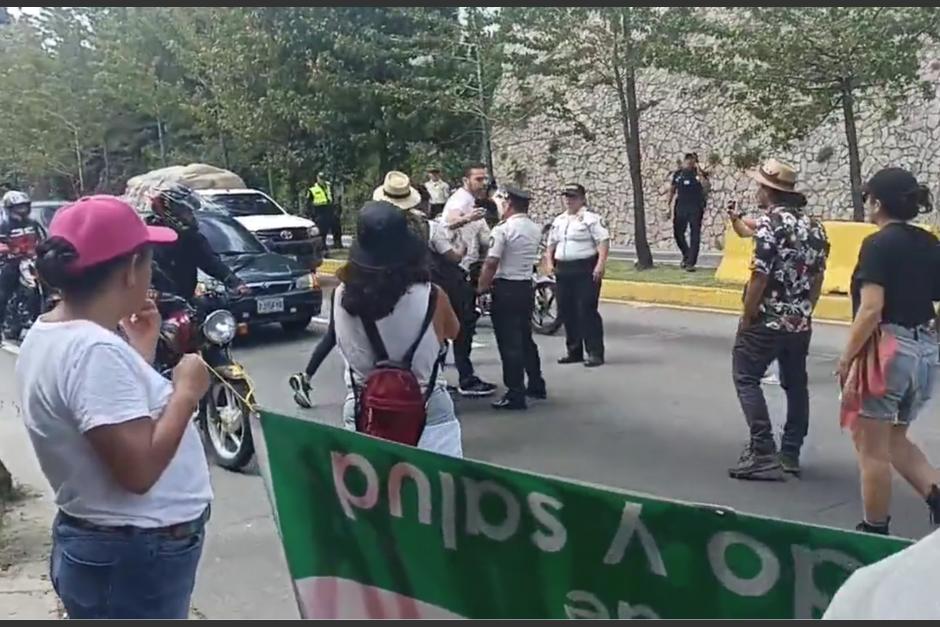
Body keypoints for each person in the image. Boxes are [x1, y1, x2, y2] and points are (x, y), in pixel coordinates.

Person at [15, 195, 212, 619]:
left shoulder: (52, 333)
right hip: (133, 556)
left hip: (113, 548)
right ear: (129, 271)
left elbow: (104, 414)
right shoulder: (92, 351)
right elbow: (137, 472)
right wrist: (186, 392)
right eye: (148, 259)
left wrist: (138, 352)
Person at [837, 167, 940, 535]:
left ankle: (874, 530)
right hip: (926, 352)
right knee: (895, 438)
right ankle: (936, 493)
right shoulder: (929, 242)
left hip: (887, 351)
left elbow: (871, 308)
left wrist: (847, 357)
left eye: (867, 197)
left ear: (878, 203)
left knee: (871, 448)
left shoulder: (878, 245)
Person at [335, 200, 463, 455]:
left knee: (371, 493)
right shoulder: (433, 296)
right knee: (436, 493)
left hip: (364, 410)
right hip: (428, 408)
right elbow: (453, 332)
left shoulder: (340, 296)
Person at [729, 159, 829, 481]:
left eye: (759, 186)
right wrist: (804, 309)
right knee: (795, 384)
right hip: (799, 322)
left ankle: (762, 450)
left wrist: (748, 314)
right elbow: (817, 277)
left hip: (767, 320)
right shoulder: (814, 226)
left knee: (746, 377)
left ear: (768, 191)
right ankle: (790, 452)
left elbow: (760, 274)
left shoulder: (771, 224)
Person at [477, 186, 546, 410]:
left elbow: (491, 262)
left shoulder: (503, 230)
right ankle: (536, 383)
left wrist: (481, 288)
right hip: (525, 286)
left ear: (508, 204)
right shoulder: (534, 228)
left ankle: (515, 392)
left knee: (509, 343)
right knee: (525, 339)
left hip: (506, 287)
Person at [440, 162, 497, 398]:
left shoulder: (474, 206)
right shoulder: (460, 201)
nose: (483, 183)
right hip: (454, 273)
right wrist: (467, 218)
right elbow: (448, 224)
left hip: (466, 273)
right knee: (458, 327)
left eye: (485, 179)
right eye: (478, 179)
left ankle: (445, 378)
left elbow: (486, 239)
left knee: (463, 326)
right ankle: (460, 378)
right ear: (466, 181)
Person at [146, 183, 249, 301]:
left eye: (191, 212)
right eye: (187, 212)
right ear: (172, 211)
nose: (191, 216)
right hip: (153, 306)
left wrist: (235, 283)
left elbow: (210, 262)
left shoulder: (191, 238)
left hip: (185, 304)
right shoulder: (146, 237)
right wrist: (152, 290)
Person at [545, 183, 610, 367]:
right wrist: (549, 262)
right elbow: (551, 243)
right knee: (566, 310)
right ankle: (574, 351)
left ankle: (594, 352)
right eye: (566, 196)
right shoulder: (559, 220)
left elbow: (602, 241)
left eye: (572, 197)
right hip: (563, 268)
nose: (569, 200)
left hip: (585, 267)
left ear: (582, 199)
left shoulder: (591, 219)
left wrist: (600, 264)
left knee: (586, 310)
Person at [0, 190, 43, 337]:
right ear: (9, 208)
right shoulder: (4, 225)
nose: (22, 210)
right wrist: (10, 249)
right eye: (18, 207)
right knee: (3, 293)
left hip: (31, 261)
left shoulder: (33, 223)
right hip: (12, 262)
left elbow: (42, 239)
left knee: (41, 286)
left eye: (24, 207)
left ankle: (37, 316)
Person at [667, 152, 710, 272]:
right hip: (681, 206)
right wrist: (667, 206)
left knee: (694, 235)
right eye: (687, 160)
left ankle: (691, 262)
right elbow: (672, 190)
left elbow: (706, 187)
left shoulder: (699, 174)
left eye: (692, 160)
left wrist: (701, 173)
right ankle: (686, 254)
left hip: (695, 207)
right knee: (678, 233)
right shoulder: (678, 174)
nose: (689, 162)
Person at [308, 172, 342, 251]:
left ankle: (337, 243)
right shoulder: (313, 189)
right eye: (321, 178)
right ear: (317, 178)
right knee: (322, 230)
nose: (322, 180)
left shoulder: (329, 186)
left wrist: (336, 208)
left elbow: (334, 197)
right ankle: (322, 246)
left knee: (336, 227)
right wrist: (311, 214)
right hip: (319, 210)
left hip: (330, 209)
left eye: (323, 178)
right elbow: (309, 203)